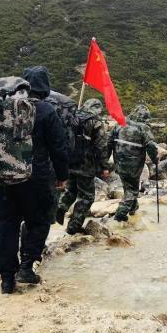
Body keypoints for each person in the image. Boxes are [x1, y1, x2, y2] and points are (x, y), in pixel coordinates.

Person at [0, 66, 69, 293]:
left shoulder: (2, 107)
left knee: (5, 225)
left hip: (4, 178)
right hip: (36, 178)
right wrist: (62, 176)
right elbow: (59, 148)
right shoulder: (46, 110)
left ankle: (6, 278)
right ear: (45, 88)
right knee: (39, 221)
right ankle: (26, 266)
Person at [56, 98, 110, 235]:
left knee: (71, 190)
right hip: (85, 165)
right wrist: (104, 166)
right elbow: (101, 146)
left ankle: (60, 208)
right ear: (97, 108)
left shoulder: (72, 117)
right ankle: (73, 226)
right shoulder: (95, 122)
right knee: (87, 197)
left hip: (69, 162)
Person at [108, 104, 158, 222]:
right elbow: (151, 145)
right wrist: (155, 159)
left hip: (119, 162)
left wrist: (105, 160)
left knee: (128, 187)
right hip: (134, 164)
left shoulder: (119, 124)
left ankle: (133, 209)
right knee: (132, 190)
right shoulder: (143, 127)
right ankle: (120, 214)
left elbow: (109, 142)